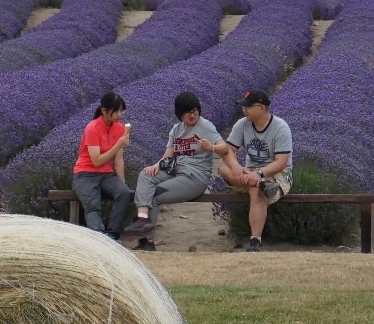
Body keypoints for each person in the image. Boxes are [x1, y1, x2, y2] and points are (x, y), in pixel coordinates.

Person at [132, 90, 233, 252]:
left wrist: (211, 147)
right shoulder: (176, 129)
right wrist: (157, 165)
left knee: (154, 195)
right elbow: (168, 154)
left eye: (195, 111)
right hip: (175, 170)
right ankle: (142, 219)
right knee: (145, 175)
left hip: (194, 177)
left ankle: (147, 242)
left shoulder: (205, 126)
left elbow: (225, 147)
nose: (192, 115)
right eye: (187, 112)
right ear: (180, 114)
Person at [223, 87, 292, 252]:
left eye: (248, 106)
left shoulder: (280, 127)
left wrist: (259, 174)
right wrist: (237, 168)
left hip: (277, 173)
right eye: (243, 106)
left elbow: (281, 162)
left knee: (255, 189)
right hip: (250, 171)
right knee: (223, 168)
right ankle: (261, 184)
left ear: (261, 108)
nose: (244, 110)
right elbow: (227, 151)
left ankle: (255, 241)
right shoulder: (242, 124)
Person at [71, 91, 133, 239]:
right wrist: (118, 145)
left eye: (121, 110)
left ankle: (112, 235)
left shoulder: (118, 128)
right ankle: (99, 237)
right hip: (84, 174)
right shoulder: (92, 128)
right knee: (93, 205)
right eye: (116, 111)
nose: (120, 114)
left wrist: (121, 183)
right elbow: (97, 161)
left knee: (124, 193)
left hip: (105, 174)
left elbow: (118, 160)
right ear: (104, 111)